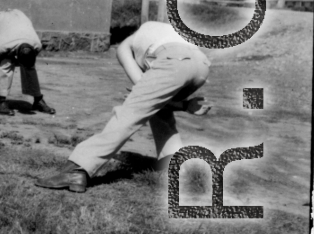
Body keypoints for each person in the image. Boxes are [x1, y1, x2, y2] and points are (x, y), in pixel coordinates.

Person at [39, 19, 211, 192]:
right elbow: (157, 100)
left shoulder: (125, 46)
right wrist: (183, 105)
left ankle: (77, 169)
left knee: (128, 114)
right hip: (202, 64)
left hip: (172, 60)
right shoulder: (162, 31)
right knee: (160, 111)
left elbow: (139, 85)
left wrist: (142, 94)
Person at [0, 9, 55, 116]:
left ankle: (38, 100)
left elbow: (29, 60)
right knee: (6, 62)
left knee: (29, 66)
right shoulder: (4, 46)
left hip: (19, 17)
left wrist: (24, 62)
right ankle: (1, 102)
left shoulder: (36, 45)